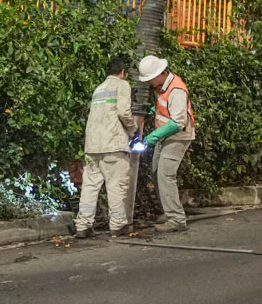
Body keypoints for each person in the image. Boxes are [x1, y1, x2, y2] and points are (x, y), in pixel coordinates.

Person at [74, 56, 137, 239]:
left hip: (93, 146)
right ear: (123, 72)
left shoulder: (98, 89)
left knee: (90, 186)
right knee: (116, 185)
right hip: (113, 144)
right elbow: (124, 112)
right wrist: (134, 130)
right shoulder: (122, 85)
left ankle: (83, 225)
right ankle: (118, 225)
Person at [138, 54, 195, 233]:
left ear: (160, 73)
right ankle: (170, 212)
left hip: (178, 136)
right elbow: (165, 109)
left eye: (150, 79)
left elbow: (178, 121)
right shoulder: (163, 86)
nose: (149, 83)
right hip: (166, 136)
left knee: (165, 175)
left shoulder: (176, 89)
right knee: (156, 172)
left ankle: (176, 219)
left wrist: (151, 137)